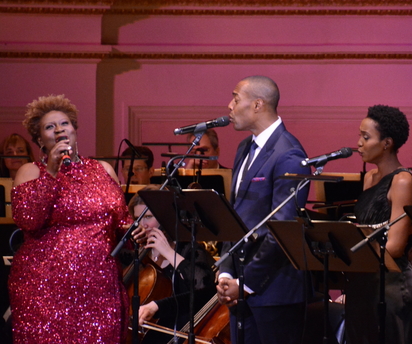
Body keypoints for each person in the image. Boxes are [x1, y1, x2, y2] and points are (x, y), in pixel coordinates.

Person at [8, 94, 131, 343]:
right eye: (49, 127)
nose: (59, 129)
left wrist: (136, 232)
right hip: (44, 290)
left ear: (74, 130)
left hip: (100, 289)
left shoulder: (102, 169)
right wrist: (52, 170)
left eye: (64, 123)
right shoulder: (31, 172)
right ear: (40, 139)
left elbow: (122, 222)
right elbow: (27, 220)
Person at [216, 75, 310, 344]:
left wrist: (244, 284)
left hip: (273, 291)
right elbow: (235, 214)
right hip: (239, 287)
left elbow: (282, 228)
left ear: (258, 105)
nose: (230, 106)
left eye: (236, 98)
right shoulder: (245, 146)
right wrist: (225, 272)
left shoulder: (289, 154)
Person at [344, 104, 412, 344]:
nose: (358, 142)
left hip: (390, 284)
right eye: (360, 135)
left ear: (387, 143)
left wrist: (352, 256)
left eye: (366, 137)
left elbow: (396, 245)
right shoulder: (369, 177)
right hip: (365, 280)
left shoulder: (402, 181)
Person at [128, 185, 217, 344]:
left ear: (166, 217)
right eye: (137, 219)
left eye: (148, 217)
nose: (143, 224)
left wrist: (168, 251)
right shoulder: (136, 251)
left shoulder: (188, 248)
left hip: (180, 334)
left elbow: (203, 288)